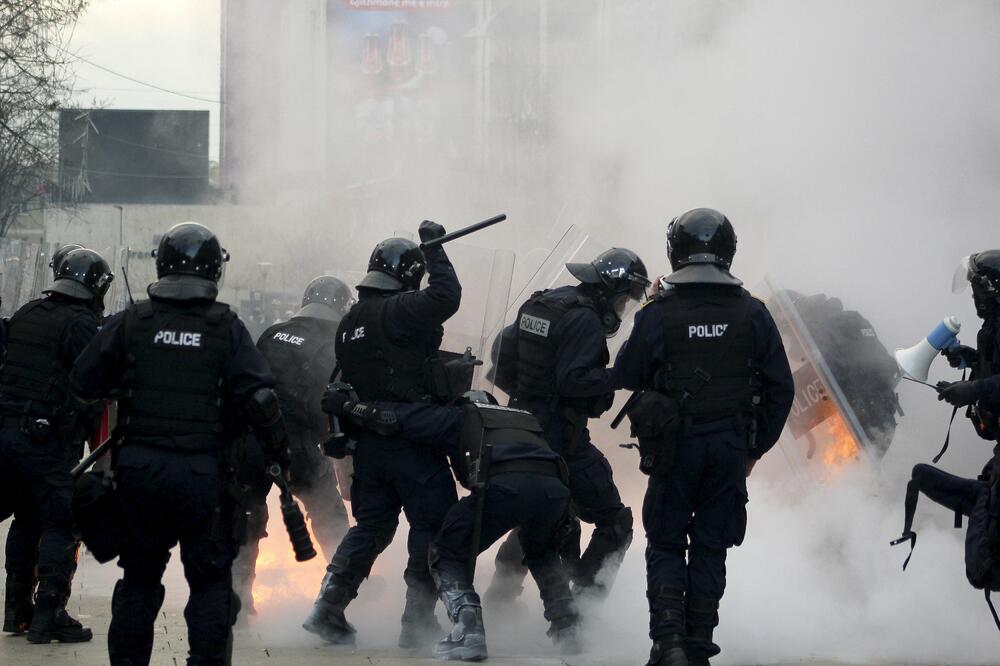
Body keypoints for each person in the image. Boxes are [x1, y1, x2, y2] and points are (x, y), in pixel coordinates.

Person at [69, 222, 291, 666]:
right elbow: (261, 399)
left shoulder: (131, 322)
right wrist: (276, 454)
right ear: (214, 270)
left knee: (138, 580)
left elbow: (83, 381)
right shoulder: (226, 328)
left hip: (140, 473)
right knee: (210, 584)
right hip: (203, 477)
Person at [613, 208, 794, 666]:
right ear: (729, 251)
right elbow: (781, 389)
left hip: (674, 452)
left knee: (668, 540)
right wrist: (755, 450)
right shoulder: (753, 312)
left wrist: (648, 310)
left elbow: (628, 373)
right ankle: (698, 647)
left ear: (675, 252)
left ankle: (669, 643)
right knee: (711, 544)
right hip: (730, 450)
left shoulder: (659, 312)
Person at [323, 388, 579, 660]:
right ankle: (569, 630)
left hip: (504, 485)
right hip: (555, 491)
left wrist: (350, 408)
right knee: (542, 553)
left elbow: (396, 417)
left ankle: (468, 630)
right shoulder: (526, 419)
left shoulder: (461, 415)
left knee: (445, 551)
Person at [303, 221, 461, 648]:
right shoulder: (401, 308)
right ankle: (417, 623)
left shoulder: (350, 319)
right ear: (410, 275)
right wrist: (436, 248)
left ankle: (328, 605)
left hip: (370, 447)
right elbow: (447, 297)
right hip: (412, 440)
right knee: (432, 525)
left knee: (370, 526)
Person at [487, 247, 649, 603]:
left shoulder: (544, 303)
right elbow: (574, 381)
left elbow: (501, 353)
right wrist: (617, 378)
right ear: (609, 290)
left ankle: (502, 592)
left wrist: (529, 395)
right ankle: (585, 608)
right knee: (615, 522)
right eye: (624, 300)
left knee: (537, 508)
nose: (622, 308)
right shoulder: (585, 320)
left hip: (520, 429)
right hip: (561, 439)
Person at [0, 248, 113, 642]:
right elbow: (99, 380)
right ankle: (49, 613)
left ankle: (16, 609)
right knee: (61, 522)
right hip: (47, 441)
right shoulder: (81, 324)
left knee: (26, 517)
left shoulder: (28, 313)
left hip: (8, 435)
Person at [232, 276, 354, 618]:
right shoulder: (332, 347)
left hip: (249, 441)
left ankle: (237, 600)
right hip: (295, 447)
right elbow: (326, 407)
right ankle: (346, 586)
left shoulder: (272, 333)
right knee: (327, 511)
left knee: (245, 515)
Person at [891, 250, 1000, 630]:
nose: (972, 297)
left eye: (976, 288)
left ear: (991, 289)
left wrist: (972, 390)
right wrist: (969, 360)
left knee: (989, 557)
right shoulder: (995, 327)